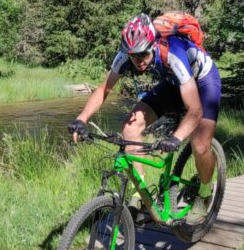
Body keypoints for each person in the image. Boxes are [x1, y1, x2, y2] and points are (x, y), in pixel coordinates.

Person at [67, 13, 221, 225]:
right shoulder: (126, 54)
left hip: (204, 81)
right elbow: (103, 89)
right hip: (174, 82)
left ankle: (204, 192)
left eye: (143, 55)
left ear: (153, 45)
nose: (139, 61)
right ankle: (141, 195)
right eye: (134, 56)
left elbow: (195, 110)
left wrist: (176, 138)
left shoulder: (173, 53)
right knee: (130, 129)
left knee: (200, 144)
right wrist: (81, 119)